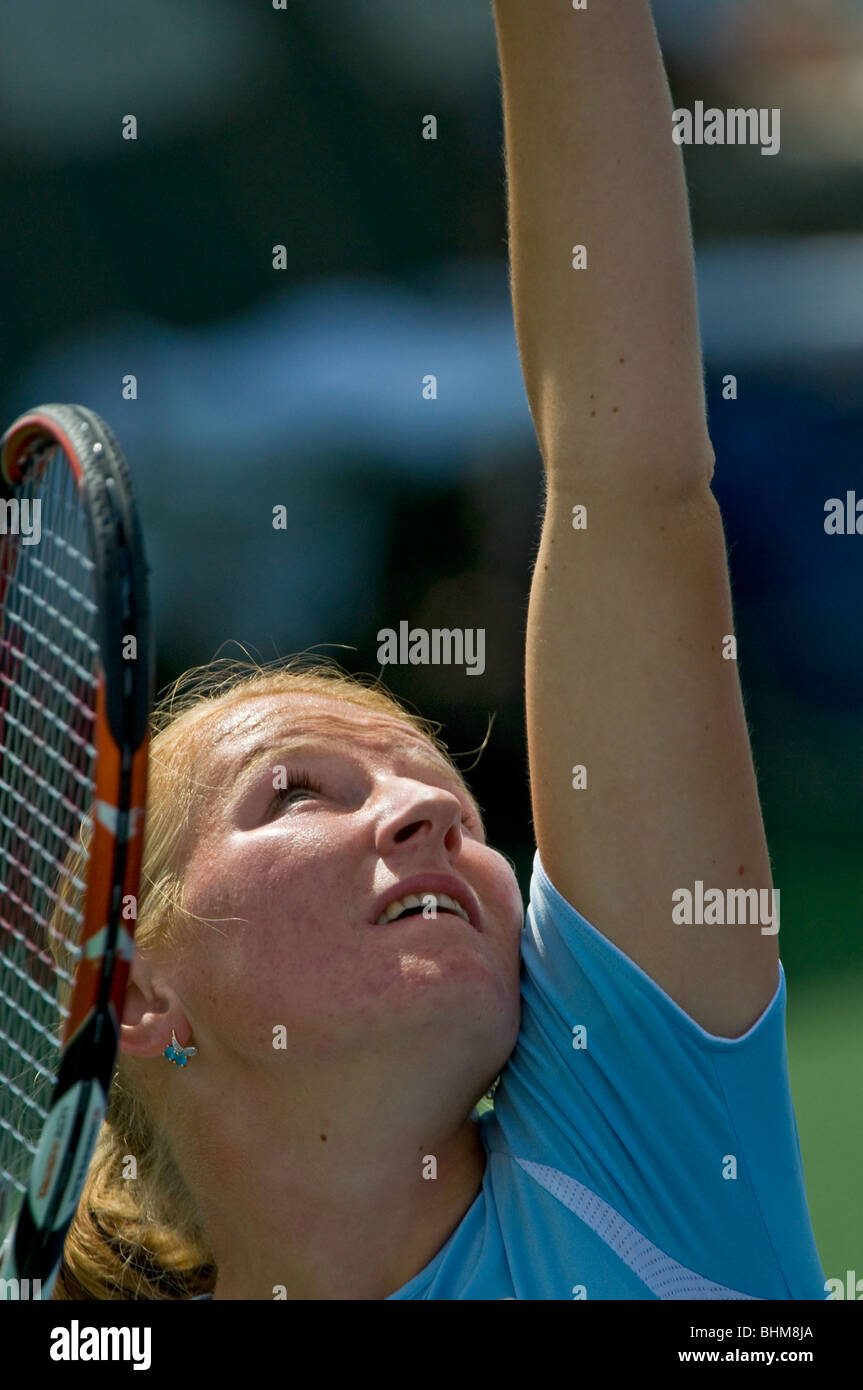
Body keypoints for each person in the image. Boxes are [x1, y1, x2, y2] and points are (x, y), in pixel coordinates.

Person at [53, 0, 825, 1300]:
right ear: (136, 995)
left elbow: (625, 485)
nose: (427, 810)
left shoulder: (635, 1146)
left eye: (450, 798)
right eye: (298, 791)